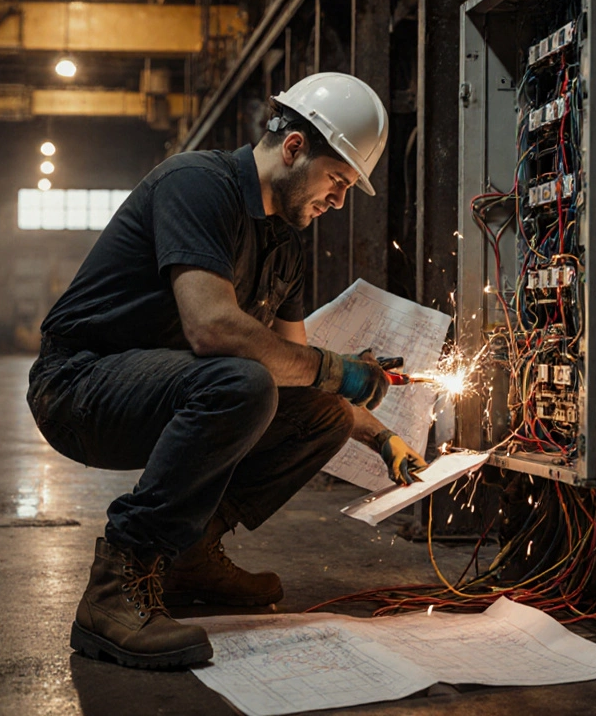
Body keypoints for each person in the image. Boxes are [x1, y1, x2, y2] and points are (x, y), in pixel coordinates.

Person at [26, 72, 428, 670]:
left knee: (318, 412)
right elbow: (212, 329)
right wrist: (337, 370)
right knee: (241, 381)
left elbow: (305, 375)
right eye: (337, 180)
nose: (339, 200)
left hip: (167, 387)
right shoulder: (197, 185)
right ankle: (115, 586)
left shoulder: (285, 242)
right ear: (294, 147)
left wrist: (381, 436)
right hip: (80, 386)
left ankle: (189, 553)